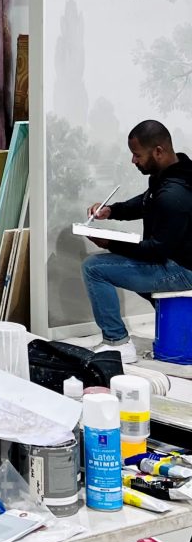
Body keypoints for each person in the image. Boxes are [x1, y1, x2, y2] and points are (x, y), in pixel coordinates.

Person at [84, 119, 192, 364]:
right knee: (118, 266)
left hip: (182, 269)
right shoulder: (175, 172)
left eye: (137, 155)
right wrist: (111, 210)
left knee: (94, 268)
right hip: (177, 260)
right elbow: (146, 201)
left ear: (158, 151)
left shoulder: (174, 194)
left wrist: (110, 243)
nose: (133, 160)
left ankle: (118, 343)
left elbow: (155, 252)